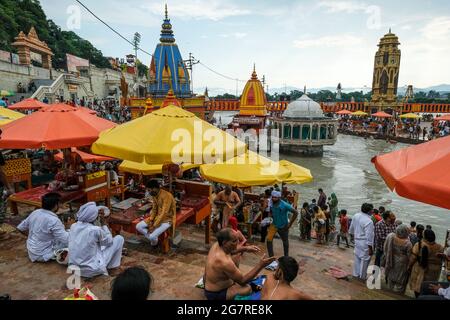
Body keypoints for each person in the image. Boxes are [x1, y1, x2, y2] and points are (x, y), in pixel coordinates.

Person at [203, 229, 275, 300]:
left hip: (210, 282)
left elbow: (232, 251)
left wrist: (246, 248)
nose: (237, 243)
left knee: (236, 256)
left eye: (237, 239)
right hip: (215, 294)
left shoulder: (217, 244)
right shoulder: (224, 261)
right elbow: (243, 280)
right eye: (234, 241)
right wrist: (261, 265)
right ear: (225, 242)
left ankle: (234, 279)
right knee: (247, 288)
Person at [68, 202, 124, 278]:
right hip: (92, 269)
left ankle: (110, 266)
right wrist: (104, 223)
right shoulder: (95, 230)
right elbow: (109, 241)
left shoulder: (73, 226)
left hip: (75, 268)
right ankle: (112, 267)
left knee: (97, 245)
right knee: (119, 239)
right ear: (93, 217)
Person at [17, 193, 69, 262]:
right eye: (59, 203)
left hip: (32, 251)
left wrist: (32, 236)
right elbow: (66, 239)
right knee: (75, 240)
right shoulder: (53, 220)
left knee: (65, 234)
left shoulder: (36, 212)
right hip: (43, 254)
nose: (60, 205)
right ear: (56, 205)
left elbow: (20, 227)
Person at [136, 180, 176, 246]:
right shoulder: (155, 195)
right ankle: (154, 239)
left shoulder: (167, 196)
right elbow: (154, 209)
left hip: (167, 220)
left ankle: (154, 242)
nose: (148, 192)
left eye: (149, 190)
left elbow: (164, 213)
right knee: (138, 226)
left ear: (154, 188)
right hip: (157, 218)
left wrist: (154, 226)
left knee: (152, 236)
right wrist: (151, 220)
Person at [408, 229, 444, 298]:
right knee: (429, 287)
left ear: (424, 237)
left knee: (418, 286)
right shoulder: (440, 247)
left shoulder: (419, 245)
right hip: (434, 272)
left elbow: (413, 258)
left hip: (420, 269)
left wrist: (409, 267)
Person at [266, 191, 298, 258]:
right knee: (268, 240)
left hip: (283, 226)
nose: (273, 199)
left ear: (279, 198)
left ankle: (286, 256)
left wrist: (290, 224)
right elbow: (270, 212)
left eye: (275, 197)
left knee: (285, 241)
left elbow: (295, 212)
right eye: (273, 197)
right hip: (274, 224)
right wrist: (269, 218)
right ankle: (271, 257)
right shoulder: (271, 203)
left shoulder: (284, 205)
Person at [383, 224, 412, 293]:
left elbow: (385, 248)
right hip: (402, 263)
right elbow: (409, 256)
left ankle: (390, 293)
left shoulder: (391, 237)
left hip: (391, 259)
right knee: (400, 282)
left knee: (391, 278)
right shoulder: (408, 243)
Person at [349, 203, 375, 280]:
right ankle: (362, 277)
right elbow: (369, 237)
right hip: (365, 244)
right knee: (364, 261)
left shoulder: (356, 215)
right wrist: (370, 248)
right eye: (372, 209)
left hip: (357, 241)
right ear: (369, 211)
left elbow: (351, 229)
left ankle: (355, 274)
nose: (373, 211)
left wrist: (352, 238)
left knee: (357, 258)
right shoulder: (369, 221)